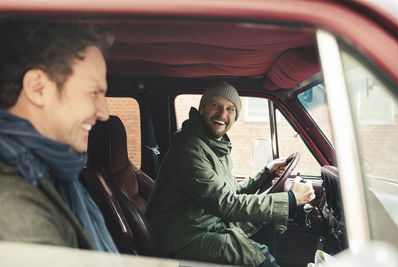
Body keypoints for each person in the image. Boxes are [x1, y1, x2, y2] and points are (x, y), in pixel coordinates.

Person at [146, 81, 315, 267]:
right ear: (202, 109)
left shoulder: (215, 146)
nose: (222, 114)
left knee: (271, 222)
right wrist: (291, 199)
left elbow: (231, 192)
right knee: (260, 258)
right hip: (183, 237)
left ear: (235, 117)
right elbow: (227, 204)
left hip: (206, 224)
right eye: (215, 105)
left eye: (230, 108)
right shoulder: (189, 149)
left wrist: (266, 173)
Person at [0, 21, 118, 252]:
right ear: (38, 89)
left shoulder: (57, 172)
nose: (104, 113)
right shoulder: (11, 197)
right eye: (94, 93)